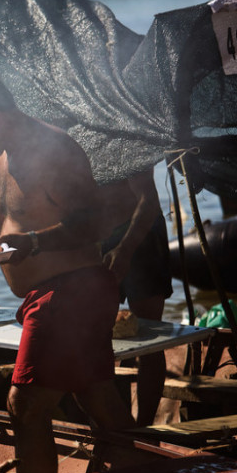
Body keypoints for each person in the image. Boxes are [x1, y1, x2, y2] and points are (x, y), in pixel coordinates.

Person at [0, 71, 135, 473]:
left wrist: (33, 243)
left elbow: (94, 223)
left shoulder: (52, 151)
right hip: (54, 297)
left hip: (70, 295)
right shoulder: (6, 156)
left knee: (26, 405)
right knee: (96, 395)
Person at [99, 170, 173, 426]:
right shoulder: (70, 137)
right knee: (93, 334)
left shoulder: (129, 133)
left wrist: (126, 248)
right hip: (99, 236)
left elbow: (149, 200)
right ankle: (111, 424)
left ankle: (145, 427)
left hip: (142, 233)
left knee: (150, 336)